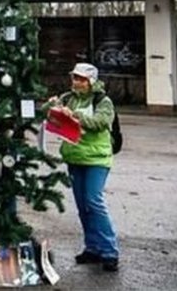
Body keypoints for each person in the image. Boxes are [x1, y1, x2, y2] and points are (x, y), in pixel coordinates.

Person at [47, 62, 120, 272]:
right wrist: (51, 106)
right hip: (74, 157)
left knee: (94, 201)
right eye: (74, 78)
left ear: (91, 81)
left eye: (81, 79)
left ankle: (109, 251)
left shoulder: (103, 101)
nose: (76, 82)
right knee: (82, 205)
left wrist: (75, 115)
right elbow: (49, 114)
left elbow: (100, 122)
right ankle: (92, 248)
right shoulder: (68, 97)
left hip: (97, 158)